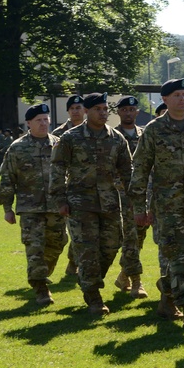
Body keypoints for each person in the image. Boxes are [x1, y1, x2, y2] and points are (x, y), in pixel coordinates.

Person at [130, 78, 184, 329]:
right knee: (179, 257)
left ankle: (166, 295)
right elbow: (141, 169)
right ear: (164, 100)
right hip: (167, 206)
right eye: (176, 95)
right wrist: (139, 208)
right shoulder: (154, 130)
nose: (182, 99)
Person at [49, 93, 132, 315]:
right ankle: (93, 296)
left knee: (111, 246)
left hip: (109, 203)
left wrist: (135, 198)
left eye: (105, 109)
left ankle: (89, 280)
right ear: (87, 111)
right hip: (80, 204)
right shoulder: (71, 138)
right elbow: (57, 169)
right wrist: (60, 200)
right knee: (87, 250)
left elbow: (127, 171)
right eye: (98, 109)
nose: (103, 113)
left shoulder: (116, 138)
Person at [0, 103, 68, 306]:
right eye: (39, 120)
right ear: (29, 123)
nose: (44, 123)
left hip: (56, 206)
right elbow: (7, 179)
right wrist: (7, 208)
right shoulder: (18, 148)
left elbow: (69, 174)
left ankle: (42, 274)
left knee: (57, 244)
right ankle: (41, 289)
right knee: (34, 248)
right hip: (30, 208)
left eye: (46, 119)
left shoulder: (59, 144)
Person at [113, 96, 148, 298]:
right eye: (124, 109)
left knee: (139, 238)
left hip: (144, 195)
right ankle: (136, 282)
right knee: (131, 238)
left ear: (137, 112)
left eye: (132, 109)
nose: (128, 113)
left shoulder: (145, 135)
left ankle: (123, 276)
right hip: (121, 197)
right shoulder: (112, 136)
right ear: (119, 112)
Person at [54, 95, 87, 275]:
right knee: (71, 231)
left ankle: (74, 263)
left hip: (85, 188)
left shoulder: (92, 130)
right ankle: (74, 263)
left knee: (81, 230)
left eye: (78, 107)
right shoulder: (59, 134)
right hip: (66, 189)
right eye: (72, 108)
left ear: (85, 110)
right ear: (68, 111)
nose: (75, 111)